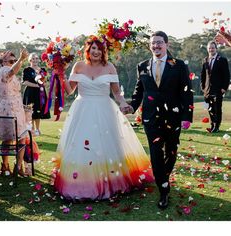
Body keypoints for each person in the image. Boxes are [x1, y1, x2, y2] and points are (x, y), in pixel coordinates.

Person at [52, 35, 154, 201]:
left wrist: (123, 104)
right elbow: (70, 91)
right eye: (93, 48)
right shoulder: (78, 66)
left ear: (103, 51)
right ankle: (80, 184)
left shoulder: (110, 67)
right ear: (88, 50)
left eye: (99, 49)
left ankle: (112, 182)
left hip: (104, 109)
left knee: (107, 145)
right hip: (82, 110)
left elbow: (116, 93)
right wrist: (61, 75)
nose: (96, 52)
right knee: (81, 146)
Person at [130, 31, 193, 209]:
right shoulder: (142, 66)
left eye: (159, 43)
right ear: (150, 46)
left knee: (171, 152)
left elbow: (186, 91)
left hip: (173, 117)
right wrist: (131, 106)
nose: (156, 46)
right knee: (156, 154)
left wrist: (186, 116)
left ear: (166, 44)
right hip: (151, 119)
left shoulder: (179, 65)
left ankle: (161, 177)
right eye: (153, 43)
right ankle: (163, 189)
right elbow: (139, 91)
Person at [0, 48, 29, 176]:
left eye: (14, 58)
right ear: (3, 60)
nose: (13, 59)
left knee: (8, 139)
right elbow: (11, 71)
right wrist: (21, 59)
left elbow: (14, 70)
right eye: (11, 57)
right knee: (21, 137)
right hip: (10, 108)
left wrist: (20, 60)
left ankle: (6, 166)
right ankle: (18, 167)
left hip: (11, 107)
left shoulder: (7, 70)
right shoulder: (4, 70)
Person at [200, 41, 230, 133]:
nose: (211, 49)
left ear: (216, 49)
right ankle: (212, 125)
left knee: (217, 109)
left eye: (213, 48)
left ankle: (217, 126)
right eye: (209, 48)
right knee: (210, 108)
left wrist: (224, 88)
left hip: (218, 89)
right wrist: (203, 87)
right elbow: (203, 76)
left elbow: (227, 75)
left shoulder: (222, 60)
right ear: (207, 49)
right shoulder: (205, 60)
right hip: (207, 90)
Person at [22, 53, 50, 136]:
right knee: (30, 111)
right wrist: (37, 85)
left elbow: (46, 81)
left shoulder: (43, 70)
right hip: (30, 92)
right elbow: (25, 82)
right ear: (30, 60)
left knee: (38, 110)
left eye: (36, 58)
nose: (35, 60)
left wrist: (45, 84)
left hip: (40, 93)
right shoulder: (27, 70)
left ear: (38, 60)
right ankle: (32, 129)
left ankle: (38, 129)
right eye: (33, 58)